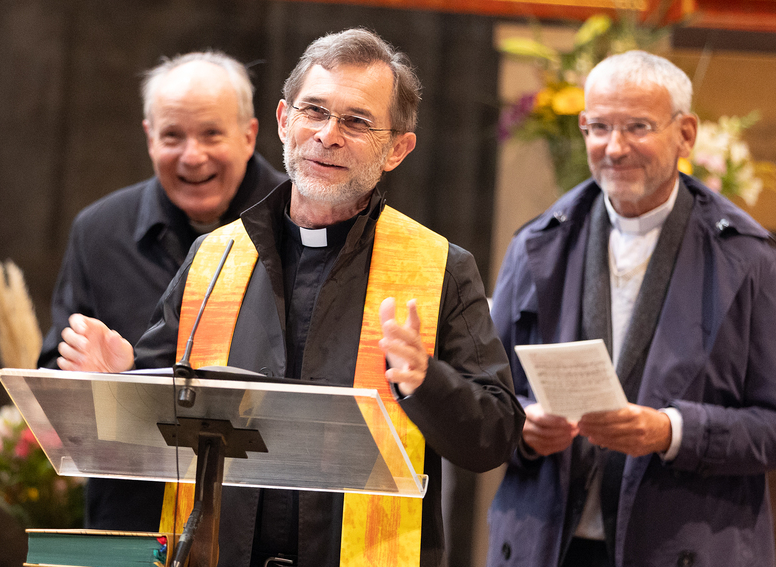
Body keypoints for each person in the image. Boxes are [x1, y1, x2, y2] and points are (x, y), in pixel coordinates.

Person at [55, 28, 524, 567]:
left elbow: (494, 438)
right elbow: (160, 426)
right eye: (314, 111)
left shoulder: (441, 267)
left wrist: (426, 381)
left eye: (357, 121)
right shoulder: (215, 256)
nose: (328, 135)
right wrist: (121, 381)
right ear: (283, 120)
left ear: (398, 149)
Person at [486, 51, 776, 567]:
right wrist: (522, 424)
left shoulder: (744, 257)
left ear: (686, 133)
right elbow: (486, 397)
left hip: (682, 545)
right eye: (600, 127)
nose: (615, 148)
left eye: (638, 126)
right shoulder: (537, 245)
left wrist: (671, 431)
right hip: (545, 543)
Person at [37, 50, 287, 531]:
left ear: (250, 134)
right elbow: (55, 383)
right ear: (150, 137)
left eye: (212, 133)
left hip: (256, 521)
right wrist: (98, 380)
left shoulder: (298, 225)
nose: (193, 156)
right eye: (173, 135)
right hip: (132, 514)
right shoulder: (99, 231)